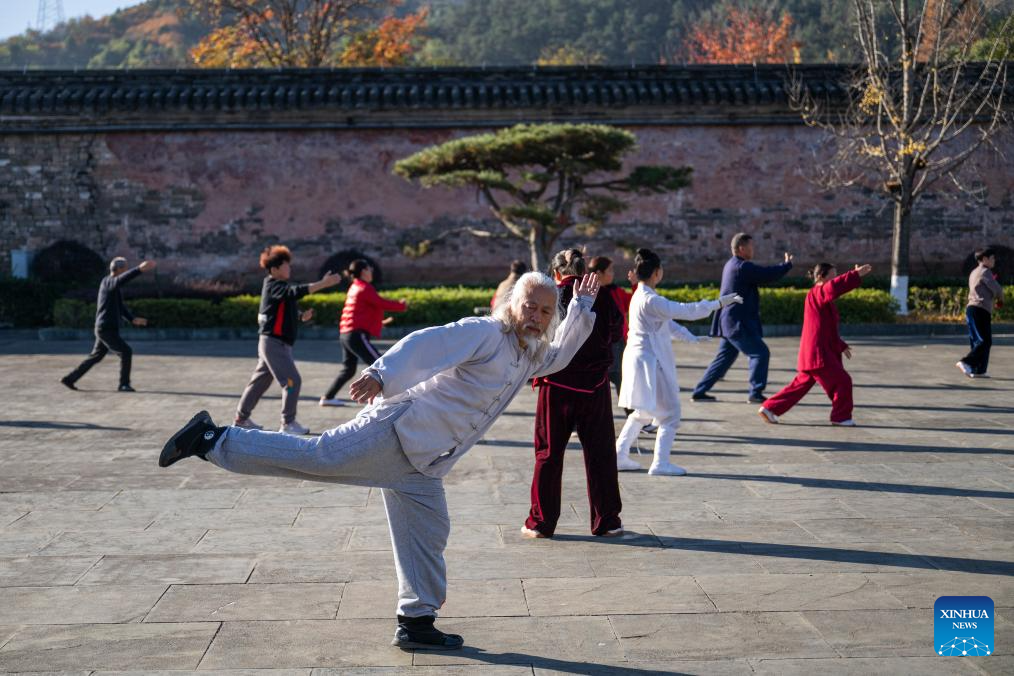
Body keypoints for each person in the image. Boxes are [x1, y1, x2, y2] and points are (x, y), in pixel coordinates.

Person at [158, 271, 600, 651]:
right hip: (399, 430)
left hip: (424, 462)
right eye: (529, 306)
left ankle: (416, 623)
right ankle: (213, 438)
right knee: (321, 455)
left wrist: (580, 306)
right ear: (512, 303)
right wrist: (381, 373)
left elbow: (560, 357)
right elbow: (428, 344)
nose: (536, 317)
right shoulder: (486, 332)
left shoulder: (530, 354)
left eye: (545, 312)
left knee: (428, 530)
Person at [523, 249, 624, 539]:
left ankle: (541, 522)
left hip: (556, 386)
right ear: (582, 270)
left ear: (555, 273)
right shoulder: (603, 295)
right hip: (595, 386)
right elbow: (616, 332)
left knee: (548, 454)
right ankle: (607, 521)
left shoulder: (550, 297)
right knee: (601, 454)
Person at [615, 249, 742, 476]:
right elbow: (686, 311)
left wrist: (690, 337)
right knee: (670, 414)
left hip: (642, 359)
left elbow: (670, 324)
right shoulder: (651, 299)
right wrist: (719, 303)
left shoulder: (642, 297)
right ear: (657, 272)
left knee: (642, 412)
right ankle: (659, 463)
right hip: (650, 362)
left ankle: (619, 455)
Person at [234, 245, 341, 434]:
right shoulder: (274, 285)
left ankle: (241, 419)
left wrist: (301, 317)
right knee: (292, 381)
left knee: (260, 382)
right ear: (274, 269)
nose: (289, 268)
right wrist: (323, 284)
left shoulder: (278, 288)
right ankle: (288, 423)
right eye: (285, 265)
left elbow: (285, 307)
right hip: (274, 343)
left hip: (272, 343)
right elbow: (294, 292)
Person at [758, 263, 872, 427]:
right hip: (819, 354)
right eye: (832, 276)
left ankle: (770, 408)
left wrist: (841, 345)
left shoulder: (818, 296)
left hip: (814, 352)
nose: (835, 279)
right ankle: (841, 417)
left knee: (799, 386)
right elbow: (834, 287)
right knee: (843, 381)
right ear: (820, 277)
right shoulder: (819, 291)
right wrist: (854, 275)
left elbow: (823, 328)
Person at [692, 233, 793, 403]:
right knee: (760, 353)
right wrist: (786, 265)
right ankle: (755, 393)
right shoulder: (742, 267)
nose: (753, 250)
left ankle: (699, 391)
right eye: (751, 247)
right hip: (737, 323)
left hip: (729, 321)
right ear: (741, 248)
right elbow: (766, 274)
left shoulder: (731, 265)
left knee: (724, 359)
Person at [320, 260, 407, 406]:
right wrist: (402, 305)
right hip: (355, 335)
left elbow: (361, 313)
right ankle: (390, 399)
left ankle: (328, 398)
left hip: (346, 335)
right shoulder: (364, 287)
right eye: (369, 269)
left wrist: (379, 323)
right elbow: (380, 303)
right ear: (363, 272)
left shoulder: (354, 286)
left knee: (348, 370)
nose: (371, 271)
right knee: (380, 364)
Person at [61, 257, 155, 392]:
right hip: (106, 329)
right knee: (126, 351)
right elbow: (120, 280)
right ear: (120, 269)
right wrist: (139, 269)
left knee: (96, 356)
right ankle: (124, 384)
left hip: (105, 328)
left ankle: (69, 379)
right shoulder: (108, 282)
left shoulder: (112, 286)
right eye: (125, 268)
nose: (126, 271)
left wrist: (132, 319)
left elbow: (120, 306)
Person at [956, 247, 1004, 379]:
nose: (994, 260)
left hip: (972, 309)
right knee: (985, 341)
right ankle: (965, 362)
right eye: (992, 258)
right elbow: (997, 288)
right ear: (984, 259)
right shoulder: (985, 271)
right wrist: (1000, 299)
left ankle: (978, 370)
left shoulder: (973, 272)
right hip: (980, 310)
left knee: (977, 341)